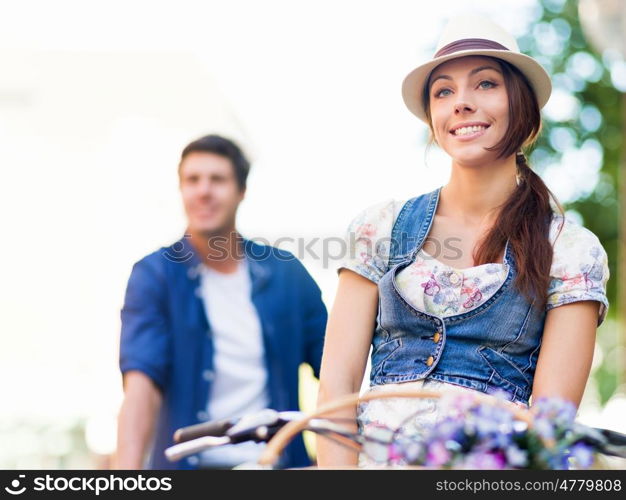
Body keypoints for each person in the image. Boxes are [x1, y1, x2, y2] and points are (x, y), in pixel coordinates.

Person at [316, 15, 610, 467]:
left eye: (486, 84)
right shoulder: (380, 227)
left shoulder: (571, 251)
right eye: (444, 91)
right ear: (433, 117)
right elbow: (335, 393)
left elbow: (548, 431)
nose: (462, 103)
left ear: (522, 106)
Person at [115, 134, 327, 469]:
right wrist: (124, 477)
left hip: (278, 465)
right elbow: (142, 384)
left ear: (241, 191)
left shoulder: (288, 274)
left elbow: (336, 371)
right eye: (192, 180)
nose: (203, 191)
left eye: (218, 179)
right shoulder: (154, 275)